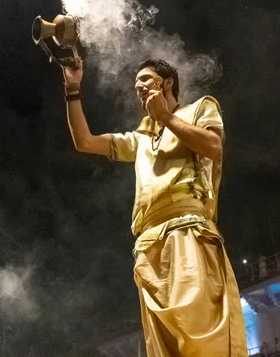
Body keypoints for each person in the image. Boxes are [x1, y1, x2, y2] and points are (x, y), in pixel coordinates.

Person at [61, 58, 247, 356]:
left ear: (167, 82)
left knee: (202, 338)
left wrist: (165, 116)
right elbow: (84, 141)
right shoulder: (141, 139)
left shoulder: (198, 108)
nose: (139, 87)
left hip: (188, 232)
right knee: (164, 349)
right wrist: (72, 87)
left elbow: (213, 146)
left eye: (146, 80)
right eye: (136, 84)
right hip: (148, 248)